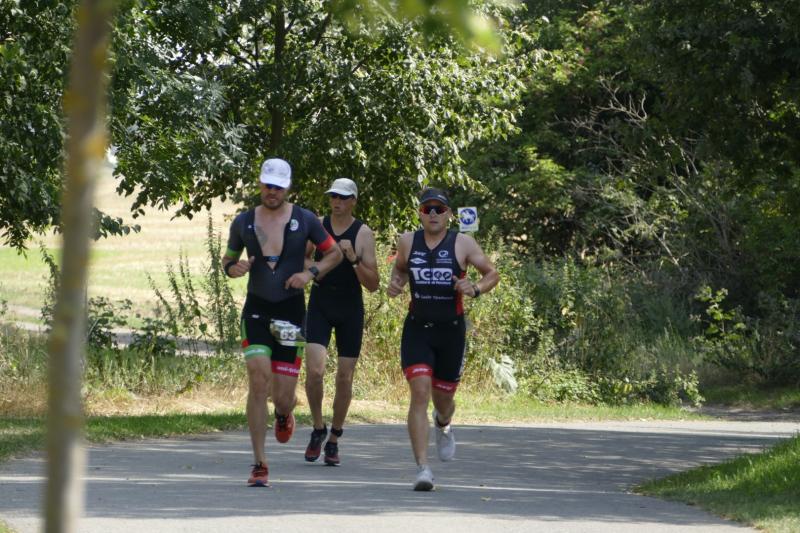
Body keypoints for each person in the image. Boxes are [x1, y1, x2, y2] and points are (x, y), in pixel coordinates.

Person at [222, 158, 342, 487]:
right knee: (258, 379)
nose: (272, 191)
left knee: (283, 396)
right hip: (257, 311)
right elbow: (228, 258)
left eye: (278, 187)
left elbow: (334, 254)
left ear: (287, 188)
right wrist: (233, 268)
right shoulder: (244, 222)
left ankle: (284, 413)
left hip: (290, 313)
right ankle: (259, 463)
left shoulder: (305, 219)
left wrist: (309, 273)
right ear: (260, 184)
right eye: (267, 185)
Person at [387, 187, 499, 491]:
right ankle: (423, 468)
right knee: (419, 393)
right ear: (420, 214)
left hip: (451, 331)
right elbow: (400, 270)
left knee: (444, 400)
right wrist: (396, 284)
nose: (433, 214)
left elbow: (491, 273)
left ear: (449, 214)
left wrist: (474, 288)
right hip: (417, 329)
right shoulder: (407, 241)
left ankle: (444, 422)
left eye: (439, 209)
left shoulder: (462, 243)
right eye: (428, 209)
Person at [303, 178, 380, 466]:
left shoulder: (363, 233)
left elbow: (373, 284)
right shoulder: (318, 226)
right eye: (333, 196)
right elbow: (300, 259)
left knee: (345, 376)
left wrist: (353, 259)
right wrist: (316, 269)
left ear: (353, 201)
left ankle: (334, 437)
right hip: (321, 303)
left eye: (343, 197)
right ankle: (317, 428)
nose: (337, 201)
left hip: (350, 307)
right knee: (314, 371)